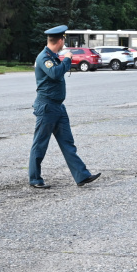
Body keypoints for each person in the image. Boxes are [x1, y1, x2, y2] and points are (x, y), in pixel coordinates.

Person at [28, 25, 100, 189]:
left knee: (67, 142)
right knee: (40, 143)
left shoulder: (52, 56)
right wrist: (67, 59)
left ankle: (81, 175)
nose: (64, 44)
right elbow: (54, 73)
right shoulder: (44, 57)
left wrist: (64, 60)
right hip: (47, 107)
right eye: (63, 40)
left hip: (58, 107)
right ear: (59, 41)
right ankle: (35, 178)